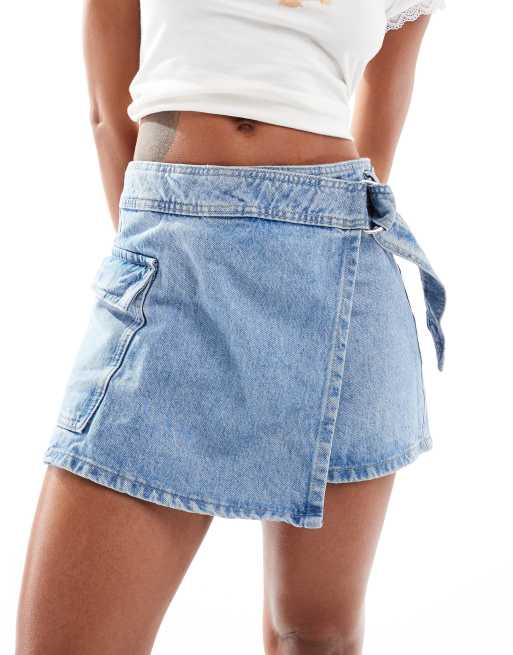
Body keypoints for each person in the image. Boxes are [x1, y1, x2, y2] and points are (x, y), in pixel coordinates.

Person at [16, 1, 447, 653]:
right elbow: (108, 112)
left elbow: (379, 127)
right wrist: (163, 245)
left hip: (340, 274)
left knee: (314, 634)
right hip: (175, 255)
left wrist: (315, 233)